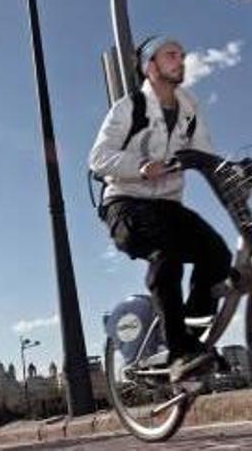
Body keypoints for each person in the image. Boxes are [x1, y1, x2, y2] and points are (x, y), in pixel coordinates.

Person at [89, 36, 233, 383]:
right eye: (171, 55)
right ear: (149, 66)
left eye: (182, 55)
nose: (180, 60)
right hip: (124, 202)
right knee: (164, 250)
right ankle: (178, 349)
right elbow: (98, 158)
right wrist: (140, 165)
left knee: (217, 254)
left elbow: (207, 156)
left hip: (167, 205)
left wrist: (235, 170)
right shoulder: (130, 107)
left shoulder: (188, 108)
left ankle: (189, 345)